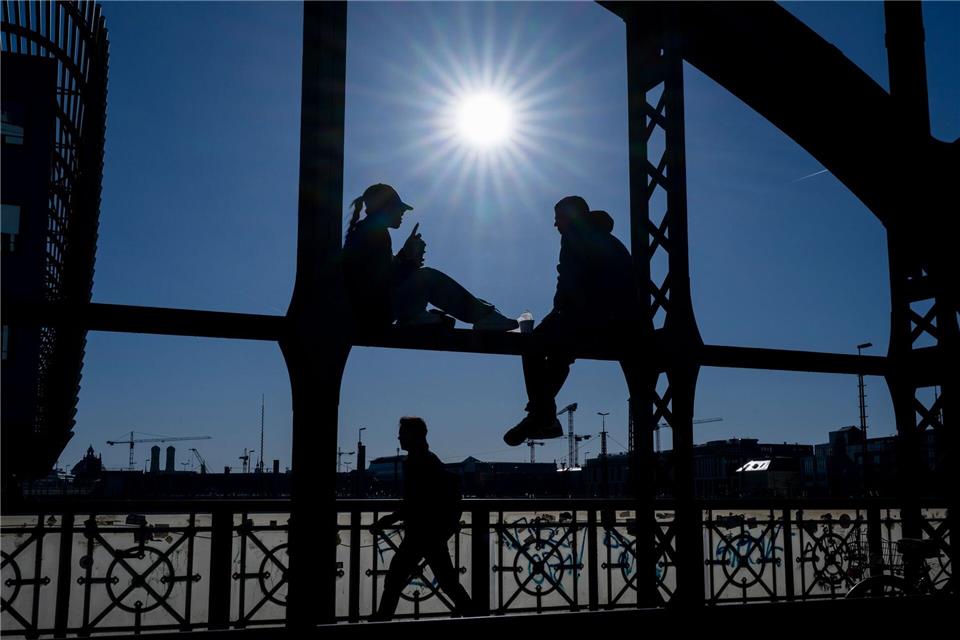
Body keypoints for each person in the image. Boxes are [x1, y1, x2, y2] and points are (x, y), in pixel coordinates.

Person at [503, 196, 640, 446]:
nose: (555, 225)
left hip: (592, 317)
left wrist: (559, 313)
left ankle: (542, 414)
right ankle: (541, 415)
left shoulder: (575, 236)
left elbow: (569, 281)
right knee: (557, 353)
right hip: (620, 322)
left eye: (558, 219)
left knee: (530, 341)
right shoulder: (605, 238)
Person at [343, 183, 517, 331]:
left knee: (427, 278)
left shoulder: (367, 231)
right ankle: (483, 316)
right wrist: (410, 261)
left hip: (370, 313)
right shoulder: (374, 233)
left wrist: (406, 255)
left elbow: (381, 273)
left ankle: (426, 315)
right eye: (400, 209)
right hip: (373, 315)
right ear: (387, 208)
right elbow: (381, 283)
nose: (403, 213)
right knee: (428, 277)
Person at [370, 417, 474, 621]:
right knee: (446, 581)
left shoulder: (418, 462)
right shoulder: (427, 459)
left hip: (421, 532)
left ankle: (382, 620)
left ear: (414, 435)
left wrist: (388, 520)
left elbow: (415, 501)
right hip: (431, 531)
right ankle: (474, 615)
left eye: (403, 433)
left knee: (396, 577)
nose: (399, 437)